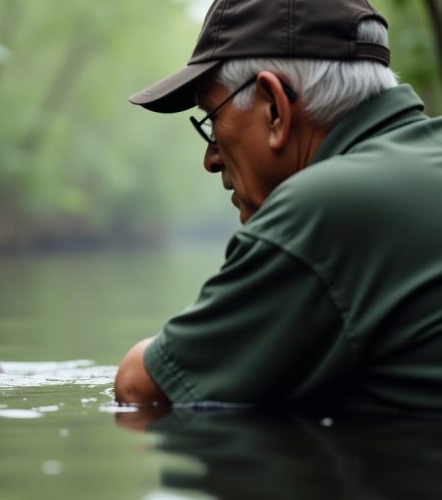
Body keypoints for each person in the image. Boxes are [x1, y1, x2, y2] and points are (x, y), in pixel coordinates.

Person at [114, 0, 442, 411]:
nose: (211, 158)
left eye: (212, 122)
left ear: (274, 108)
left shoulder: (326, 206)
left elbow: (140, 387)